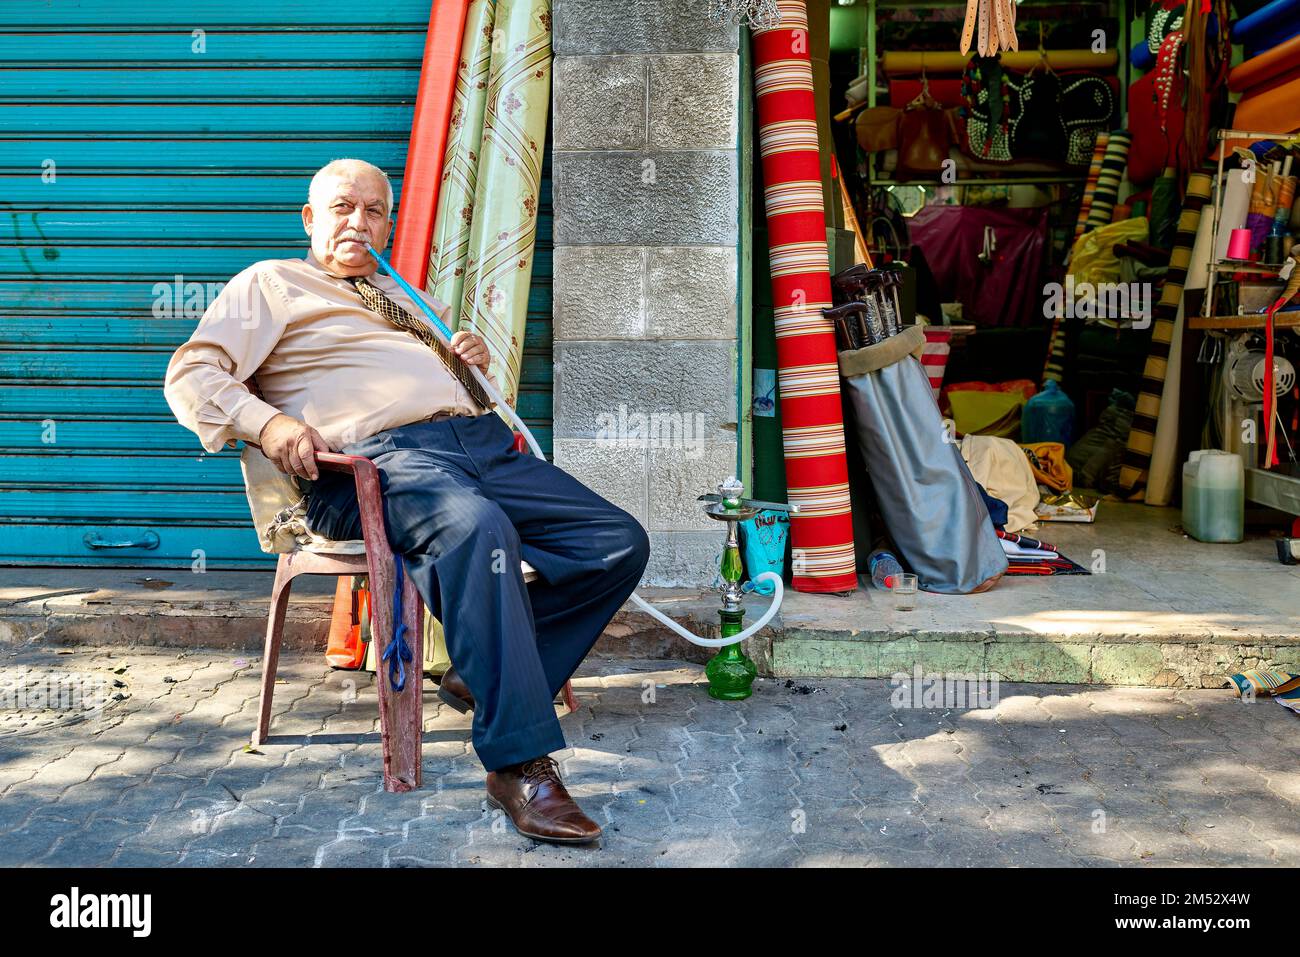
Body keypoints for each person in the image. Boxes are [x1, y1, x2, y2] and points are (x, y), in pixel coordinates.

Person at [164, 158, 650, 844]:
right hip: (373, 465)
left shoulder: (410, 299)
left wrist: (470, 369)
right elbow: (190, 374)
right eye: (342, 207)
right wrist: (268, 425)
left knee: (616, 540)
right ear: (309, 218)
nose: (358, 223)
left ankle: (486, 674)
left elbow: (449, 393)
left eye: (373, 211)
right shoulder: (271, 284)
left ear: (388, 225)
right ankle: (519, 765)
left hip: (479, 447)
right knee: (478, 530)